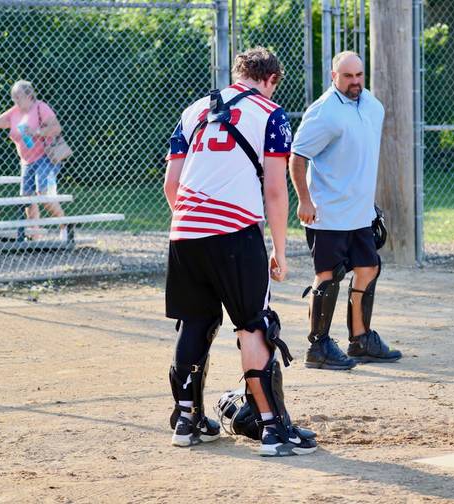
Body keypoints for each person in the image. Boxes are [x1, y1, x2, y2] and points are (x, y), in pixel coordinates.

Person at [163, 47, 316, 456]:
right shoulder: (270, 112)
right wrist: (280, 251)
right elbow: (275, 189)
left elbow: (171, 185)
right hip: (234, 232)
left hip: (184, 231)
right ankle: (271, 428)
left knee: (194, 322)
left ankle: (186, 420)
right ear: (271, 79)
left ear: (238, 74)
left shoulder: (194, 110)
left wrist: (195, 222)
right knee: (254, 324)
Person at [289, 51, 401, 371]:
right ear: (333, 76)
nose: (355, 82)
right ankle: (319, 346)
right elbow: (297, 157)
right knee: (328, 277)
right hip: (328, 213)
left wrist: (367, 200)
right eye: (347, 76)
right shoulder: (323, 112)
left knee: (368, 268)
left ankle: (360, 339)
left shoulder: (372, 106)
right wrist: (305, 200)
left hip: (359, 212)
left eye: (359, 75)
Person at [0, 80, 67, 239]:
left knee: (43, 194)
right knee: (27, 199)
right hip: (27, 162)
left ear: (29, 95)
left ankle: (64, 226)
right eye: (13, 97)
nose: (15, 100)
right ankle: (36, 236)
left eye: (18, 96)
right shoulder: (15, 112)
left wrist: (36, 132)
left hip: (45, 158)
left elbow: (56, 128)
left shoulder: (41, 107)